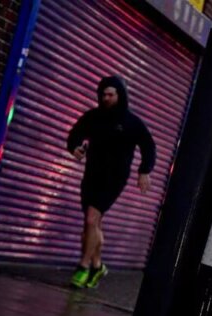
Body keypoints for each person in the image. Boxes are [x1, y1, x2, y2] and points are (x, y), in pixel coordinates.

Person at [66, 76, 155, 288]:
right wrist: (74, 147)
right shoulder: (94, 117)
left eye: (111, 95)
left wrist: (144, 171)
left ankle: (83, 266)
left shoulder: (130, 122)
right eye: (103, 95)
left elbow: (148, 146)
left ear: (120, 95)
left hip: (114, 179)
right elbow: (75, 134)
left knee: (90, 220)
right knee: (93, 224)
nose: (106, 98)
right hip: (92, 175)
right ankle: (98, 266)